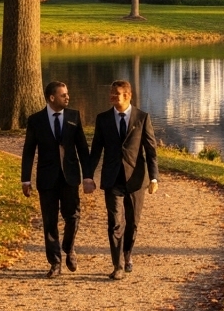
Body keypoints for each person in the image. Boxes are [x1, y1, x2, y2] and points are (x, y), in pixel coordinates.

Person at [84, 79, 158, 281]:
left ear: (128, 96)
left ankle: (127, 254)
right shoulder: (103, 119)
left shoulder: (142, 118)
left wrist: (154, 177)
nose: (112, 97)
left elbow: (151, 151)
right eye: (111, 93)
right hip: (112, 179)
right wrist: (88, 176)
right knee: (115, 222)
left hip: (136, 179)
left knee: (132, 222)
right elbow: (96, 150)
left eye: (116, 94)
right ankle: (117, 265)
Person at [21, 81, 92, 278]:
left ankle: (68, 247)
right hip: (47, 178)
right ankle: (55, 262)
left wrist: (87, 176)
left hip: (70, 177)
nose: (67, 97)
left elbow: (83, 149)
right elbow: (28, 151)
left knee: (73, 216)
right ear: (52, 98)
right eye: (63, 95)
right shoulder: (36, 120)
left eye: (67, 94)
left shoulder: (73, 116)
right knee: (49, 222)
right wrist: (25, 179)